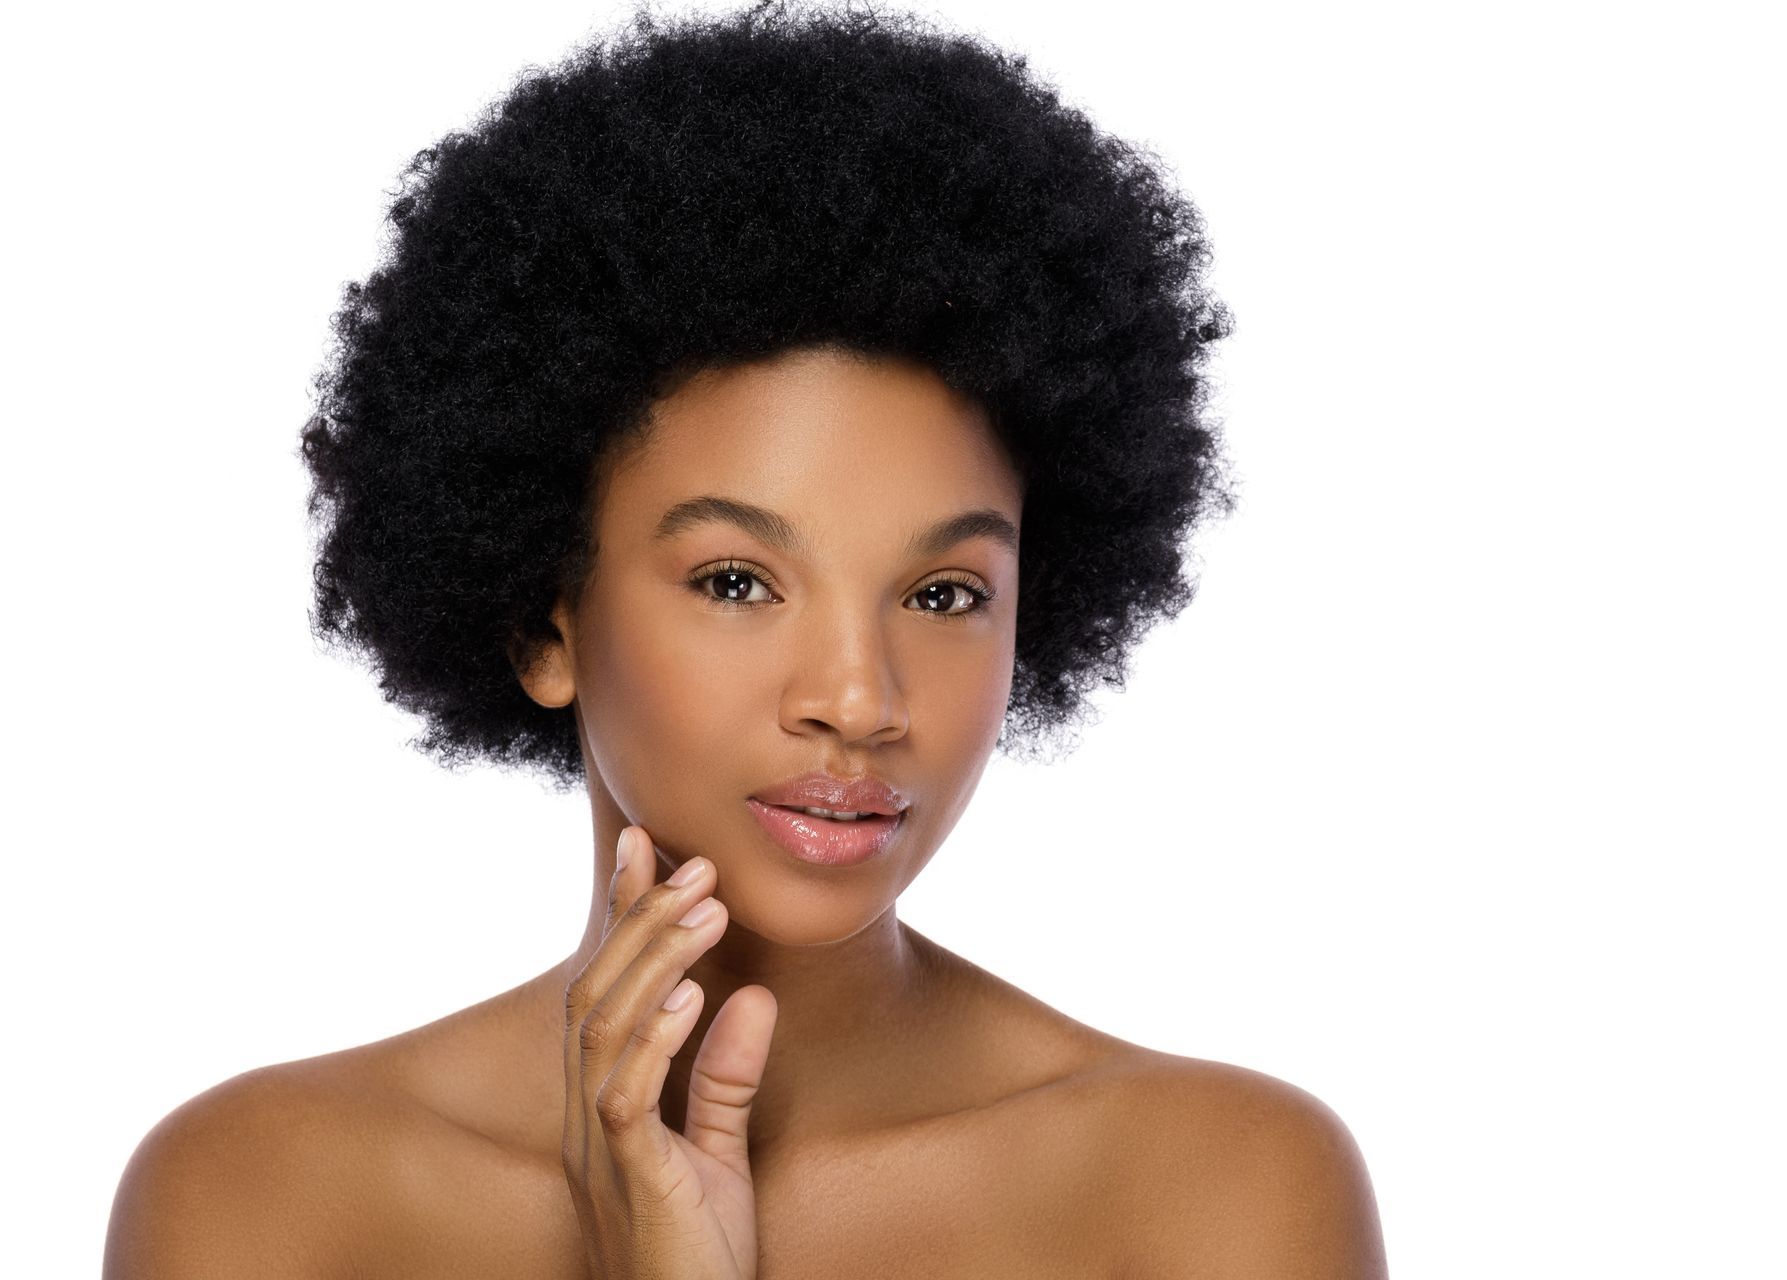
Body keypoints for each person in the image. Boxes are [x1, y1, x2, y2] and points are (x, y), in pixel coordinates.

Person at [105, 1, 1387, 1274]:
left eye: (943, 593)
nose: (857, 694)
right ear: (541, 618)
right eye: (735, 578)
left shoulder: (1213, 1186)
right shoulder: (264, 1200)